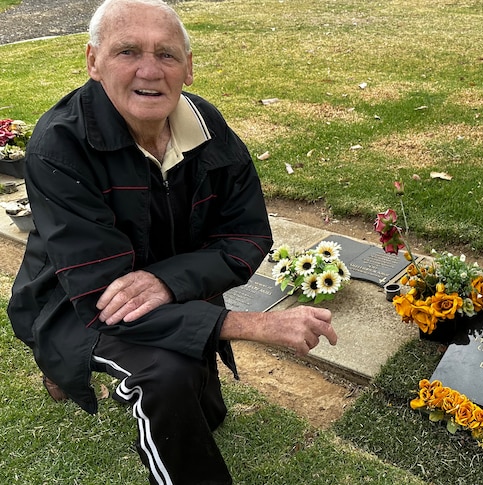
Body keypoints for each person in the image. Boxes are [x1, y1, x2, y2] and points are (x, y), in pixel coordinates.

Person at [7, 0, 337, 483]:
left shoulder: (207, 127)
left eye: (167, 54)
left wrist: (166, 279)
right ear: (92, 61)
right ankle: (60, 364)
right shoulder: (59, 146)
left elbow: (246, 233)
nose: (149, 70)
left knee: (203, 407)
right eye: (127, 51)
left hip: (170, 281)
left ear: (188, 67)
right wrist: (253, 325)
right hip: (73, 297)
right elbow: (103, 296)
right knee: (166, 375)